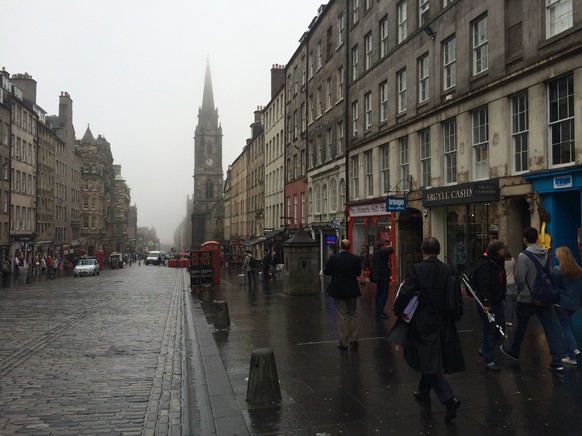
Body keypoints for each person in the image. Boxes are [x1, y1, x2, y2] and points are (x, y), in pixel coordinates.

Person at [393, 237, 463, 423]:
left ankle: (449, 398)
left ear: (423, 250)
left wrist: (398, 311)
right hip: (444, 320)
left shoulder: (417, 269)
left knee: (428, 359)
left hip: (423, 321)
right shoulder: (448, 270)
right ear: (438, 250)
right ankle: (423, 391)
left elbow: (406, 292)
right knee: (430, 356)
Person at [500, 227, 565, 371]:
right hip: (543, 297)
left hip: (527, 298)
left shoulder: (524, 256)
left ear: (524, 239)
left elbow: (520, 278)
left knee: (521, 326)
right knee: (550, 328)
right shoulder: (545, 254)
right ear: (537, 239)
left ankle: (515, 351)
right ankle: (557, 360)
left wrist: (520, 291)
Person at [474, 240, 507, 371]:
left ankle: (485, 348)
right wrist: (486, 302)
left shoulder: (498, 263)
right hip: (488, 303)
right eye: (502, 249)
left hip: (497, 301)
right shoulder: (486, 265)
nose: (504, 250)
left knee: (499, 328)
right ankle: (489, 359)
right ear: (497, 251)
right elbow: (484, 284)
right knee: (490, 330)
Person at [324, 239, 362, 350]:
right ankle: (354, 339)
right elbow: (358, 272)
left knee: (342, 316)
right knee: (353, 314)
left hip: (339, 290)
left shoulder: (334, 259)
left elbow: (326, 272)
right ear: (349, 247)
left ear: (340, 246)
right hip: (352, 289)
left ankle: (343, 342)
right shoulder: (355, 259)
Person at [553, 246, 582, 366]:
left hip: (561, 303)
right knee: (568, 326)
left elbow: (554, 287)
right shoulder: (578, 270)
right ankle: (572, 354)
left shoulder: (557, 270)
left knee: (565, 328)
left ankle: (574, 350)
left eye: (556, 254)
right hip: (574, 303)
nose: (555, 256)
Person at [371, 241, 395, 319]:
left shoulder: (376, 252)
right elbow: (391, 250)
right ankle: (379, 311)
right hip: (383, 276)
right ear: (382, 246)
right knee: (383, 294)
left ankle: (378, 310)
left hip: (378, 276)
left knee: (379, 293)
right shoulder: (381, 252)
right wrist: (389, 246)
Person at [504, 250, 517, 327]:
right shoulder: (513, 260)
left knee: (507, 302)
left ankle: (508, 320)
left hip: (505, 282)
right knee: (512, 301)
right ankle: (512, 318)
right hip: (512, 282)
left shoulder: (502, 262)